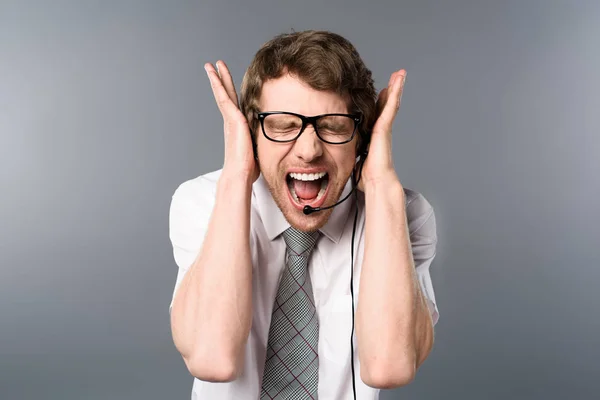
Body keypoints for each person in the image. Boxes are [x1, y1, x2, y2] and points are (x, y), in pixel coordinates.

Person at [168, 30, 439, 400]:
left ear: (362, 137)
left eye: (332, 126)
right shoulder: (202, 201)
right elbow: (213, 360)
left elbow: (389, 366)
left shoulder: (402, 214)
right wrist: (236, 176)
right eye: (282, 125)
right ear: (251, 131)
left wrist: (380, 187)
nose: (309, 150)